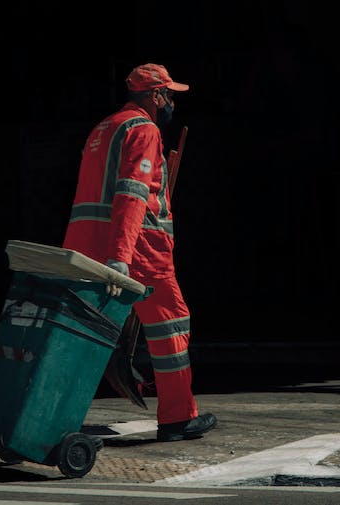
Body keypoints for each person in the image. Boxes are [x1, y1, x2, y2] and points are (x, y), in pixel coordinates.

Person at [62, 63, 216, 442]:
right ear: (155, 95)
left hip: (84, 246)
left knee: (79, 333)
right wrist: (122, 256)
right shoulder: (143, 130)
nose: (171, 102)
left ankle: (55, 414)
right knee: (170, 325)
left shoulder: (105, 128)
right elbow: (131, 193)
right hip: (140, 251)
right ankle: (178, 418)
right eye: (169, 94)